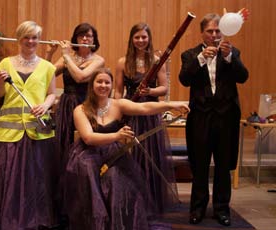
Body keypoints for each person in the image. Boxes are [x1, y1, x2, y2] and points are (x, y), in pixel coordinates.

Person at [61, 68, 189, 229]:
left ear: (112, 85)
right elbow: (88, 138)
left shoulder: (118, 104)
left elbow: (145, 108)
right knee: (88, 173)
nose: (103, 85)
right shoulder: (80, 109)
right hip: (88, 154)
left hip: (114, 154)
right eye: (99, 81)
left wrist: (172, 105)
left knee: (116, 179)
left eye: (107, 82)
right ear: (91, 85)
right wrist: (117, 135)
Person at [0, 21, 60, 229]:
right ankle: (10, 217)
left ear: (39, 39)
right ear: (19, 39)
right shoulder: (5, 64)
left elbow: (52, 93)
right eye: (26, 37)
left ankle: (34, 217)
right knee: (10, 178)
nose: (31, 41)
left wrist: (45, 105)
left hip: (36, 131)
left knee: (35, 177)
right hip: (9, 132)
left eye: (34, 37)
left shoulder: (47, 67)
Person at [178, 13, 248, 226]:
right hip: (200, 117)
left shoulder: (232, 52)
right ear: (202, 33)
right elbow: (184, 79)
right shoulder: (190, 55)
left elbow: (243, 77)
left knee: (223, 166)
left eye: (218, 31)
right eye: (210, 31)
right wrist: (201, 59)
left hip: (225, 118)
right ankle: (197, 209)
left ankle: (222, 209)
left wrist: (229, 58)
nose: (214, 35)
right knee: (199, 166)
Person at [114, 22, 178, 213]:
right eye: (137, 37)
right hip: (132, 113)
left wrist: (150, 90)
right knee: (132, 156)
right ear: (131, 39)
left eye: (144, 37)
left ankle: (150, 202)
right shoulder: (122, 62)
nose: (140, 40)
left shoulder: (157, 60)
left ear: (149, 38)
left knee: (151, 155)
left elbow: (164, 88)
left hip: (150, 114)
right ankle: (131, 201)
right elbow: (117, 91)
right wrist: (120, 109)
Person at [45, 22, 105, 163]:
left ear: (94, 40)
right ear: (75, 39)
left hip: (87, 104)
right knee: (64, 142)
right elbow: (47, 74)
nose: (85, 39)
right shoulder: (68, 56)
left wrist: (66, 57)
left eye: (89, 36)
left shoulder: (98, 60)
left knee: (83, 141)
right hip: (66, 105)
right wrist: (49, 53)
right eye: (81, 36)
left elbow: (81, 77)